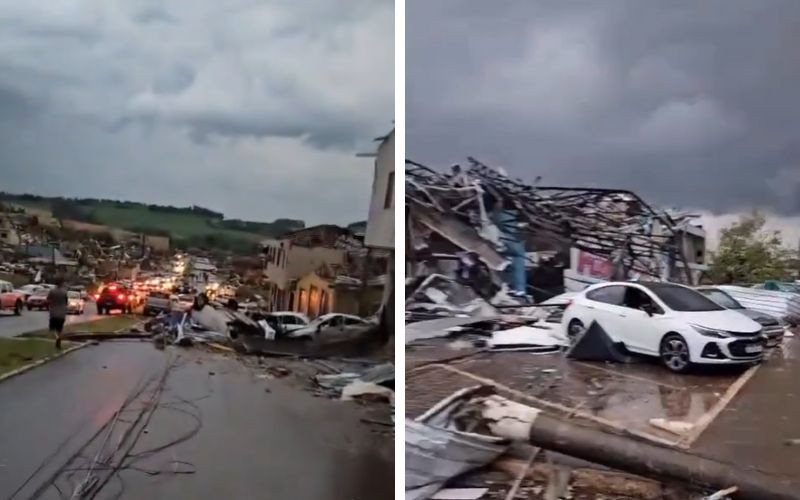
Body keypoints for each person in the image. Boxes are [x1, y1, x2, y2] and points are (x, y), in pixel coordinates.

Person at [47, 278, 69, 349]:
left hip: (53, 312)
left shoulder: (52, 291)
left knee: (53, 328)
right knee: (60, 328)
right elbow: (66, 302)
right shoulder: (64, 292)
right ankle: (59, 337)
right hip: (62, 313)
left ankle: (57, 337)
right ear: (61, 284)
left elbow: (48, 299)